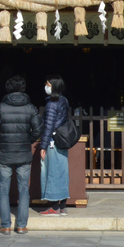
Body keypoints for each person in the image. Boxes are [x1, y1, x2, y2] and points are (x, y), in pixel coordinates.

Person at [0, 74, 42, 235]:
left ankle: (5, 225)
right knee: (23, 189)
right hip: (24, 153)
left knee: (3, 189)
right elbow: (39, 128)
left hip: (5, 153)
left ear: (8, 89)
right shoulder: (31, 107)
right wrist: (28, 140)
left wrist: (0, 141)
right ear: (23, 89)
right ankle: (21, 225)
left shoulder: (0, 107)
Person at [38, 74, 71, 216]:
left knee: (51, 173)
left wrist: (43, 146)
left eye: (48, 85)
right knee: (62, 172)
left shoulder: (51, 104)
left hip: (53, 142)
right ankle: (62, 206)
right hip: (62, 142)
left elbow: (48, 126)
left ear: (54, 86)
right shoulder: (64, 100)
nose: (46, 87)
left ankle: (54, 206)